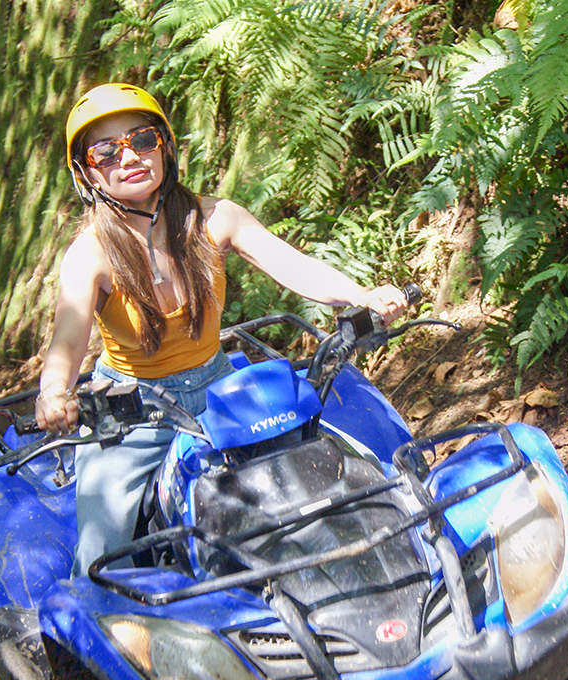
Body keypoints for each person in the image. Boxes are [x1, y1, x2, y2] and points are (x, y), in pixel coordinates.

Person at [36, 83, 409, 575]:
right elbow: (67, 338)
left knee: (324, 470)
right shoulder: (89, 255)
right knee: (101, 557)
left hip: (219, 387)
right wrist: (54, 391)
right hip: (132, 411)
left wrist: (360, 295)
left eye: (142, 140)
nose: (127, 156)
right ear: (85, 171)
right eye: (105, 150)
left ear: (165, 147)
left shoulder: (214, 218)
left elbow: (293, 264)